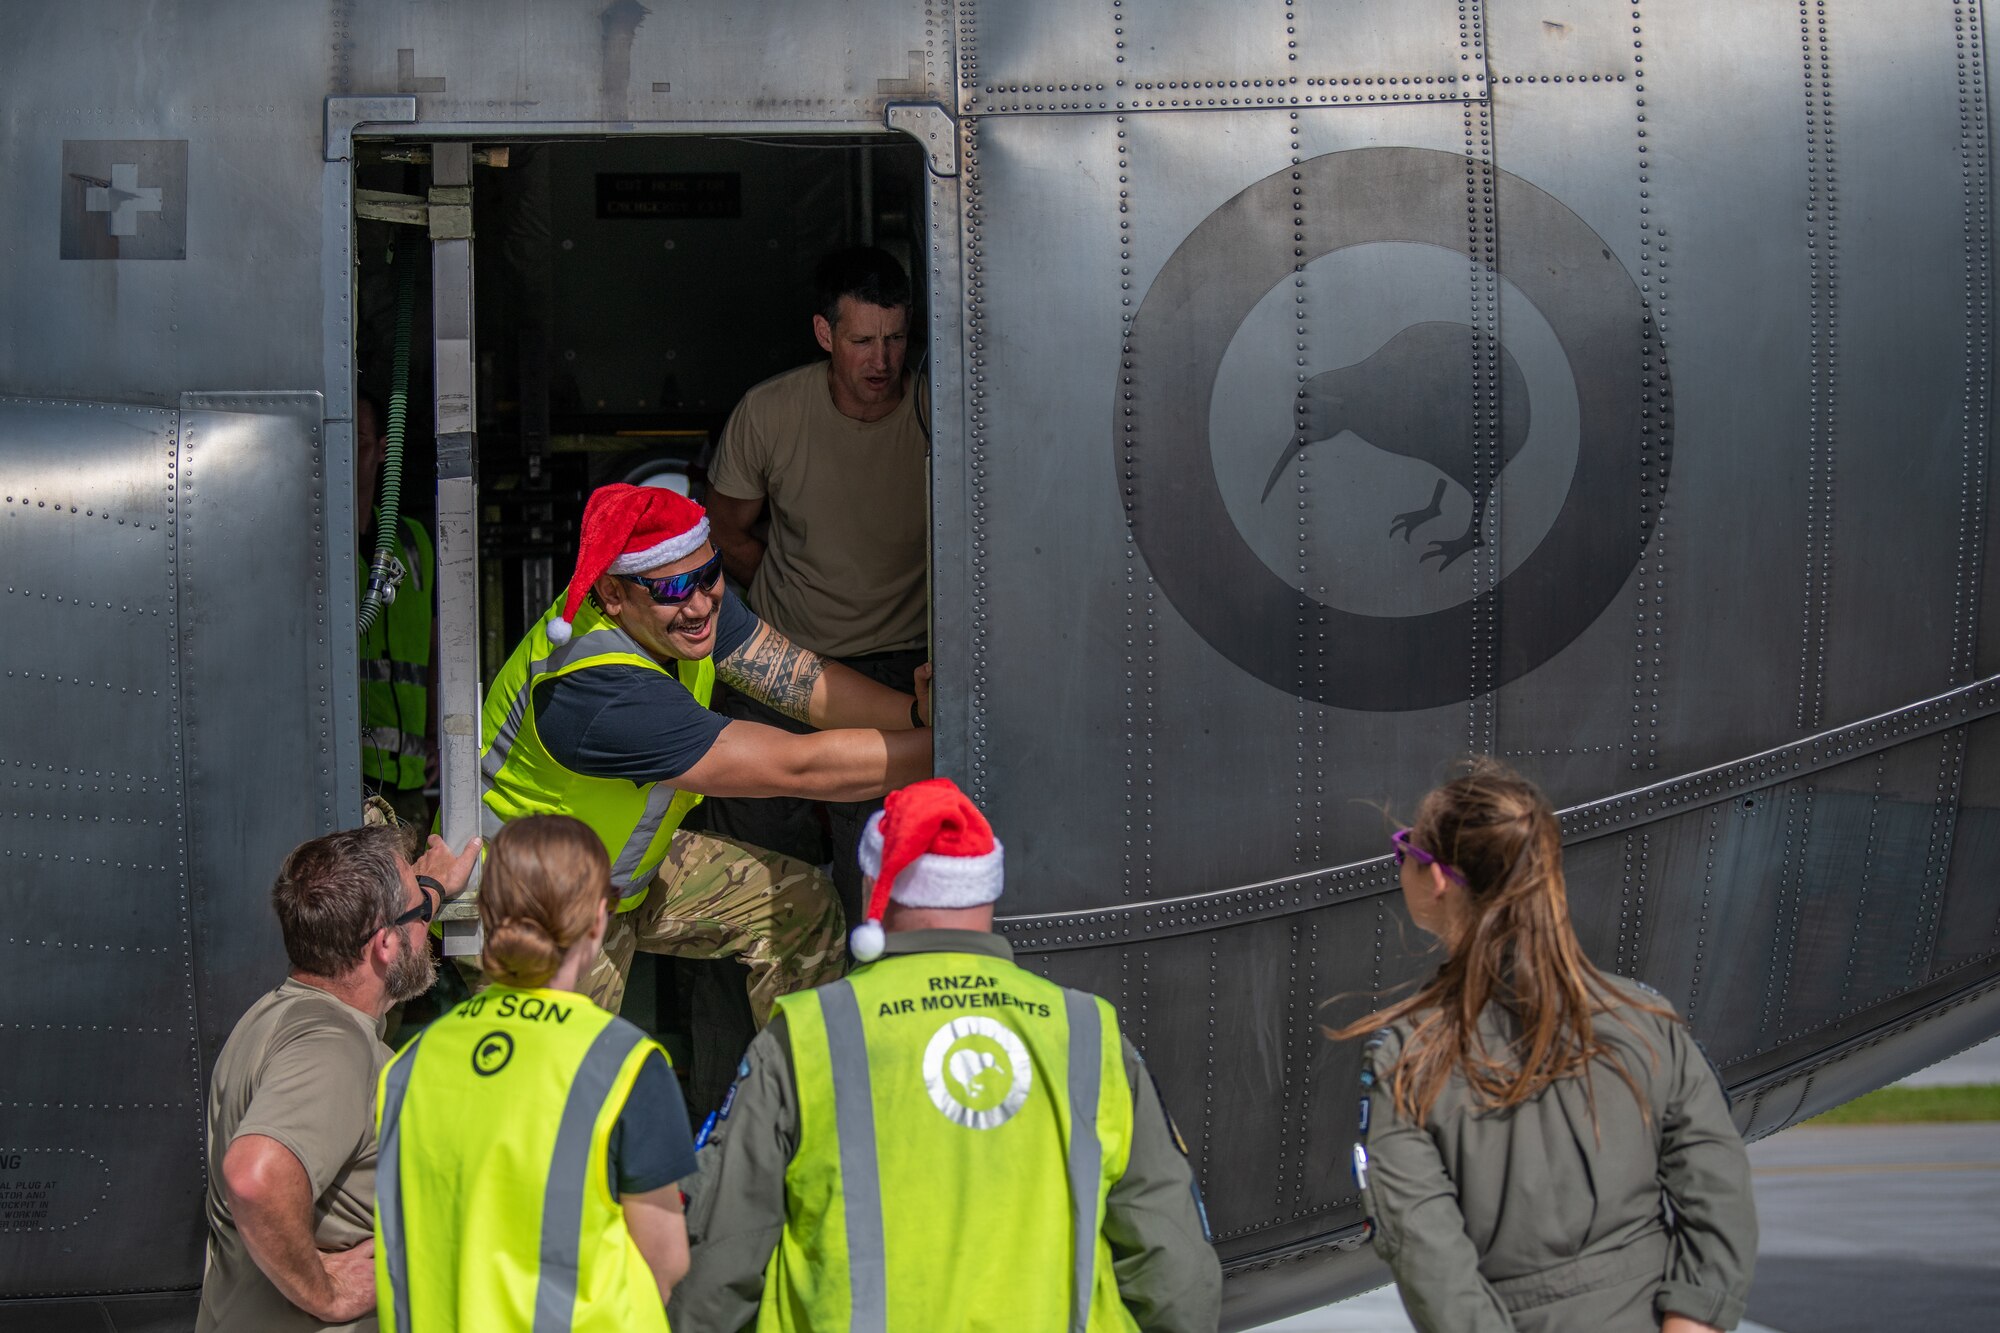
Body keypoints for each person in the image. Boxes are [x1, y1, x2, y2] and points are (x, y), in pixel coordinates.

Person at [670, 778, 1223, 1333]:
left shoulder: (808, 1035)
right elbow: (1176, 1280)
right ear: (987, 889)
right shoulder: (1087, 1034)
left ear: (874, 883)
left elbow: (719, 1265)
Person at [480, 481, 933, 1021]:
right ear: (612, 594)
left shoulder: (683, 613)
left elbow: (799, 679)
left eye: (709, 575)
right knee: (573, 1079)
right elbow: (799, 766)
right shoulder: (599, 690)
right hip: (533, 902)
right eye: (672, 590)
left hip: (614, 867)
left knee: (799, 906)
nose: (699, 605)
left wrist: (916, 715)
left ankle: (789, 1091)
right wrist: (960, 747)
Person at [1333, 761, 1757, 1333]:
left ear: (1436, 879)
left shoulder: (1409, 1059)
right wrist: (1693, 1321)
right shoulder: (1645, 1021)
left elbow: (1430, 1262)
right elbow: (1719, 1191)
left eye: (1404, 848)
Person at [373, 815, 698, 1331]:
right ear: (598, 920)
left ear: (487, 912)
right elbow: (667, 1262)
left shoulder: (410, 1065)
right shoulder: (622, 1062)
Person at [704, 246, 930, 925]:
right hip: (782, 661)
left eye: (895, 339)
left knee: (883, 890)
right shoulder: (770, 412)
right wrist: (794, 589)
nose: (881, 360)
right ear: (825, 333)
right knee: (754, 884)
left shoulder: (938, 410)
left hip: (899, 671)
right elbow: (725, 531)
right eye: (862, 340)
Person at [196, 825, 480, 1332]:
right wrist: (327, 1294)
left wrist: (431, 891)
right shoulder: (332, 1046)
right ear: (385, 943)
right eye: (419, 915)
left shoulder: (277, 1014)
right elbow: (254, 1176)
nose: (427, 928)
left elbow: (392, 934)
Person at [355, 389, 436, 831]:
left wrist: (439, 740)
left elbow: (437, 647)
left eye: (361, 442)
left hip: (409, 780)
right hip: (349, 775)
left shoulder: (415, 543)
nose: (349, 456)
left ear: (384, 450)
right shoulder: (319, 547)